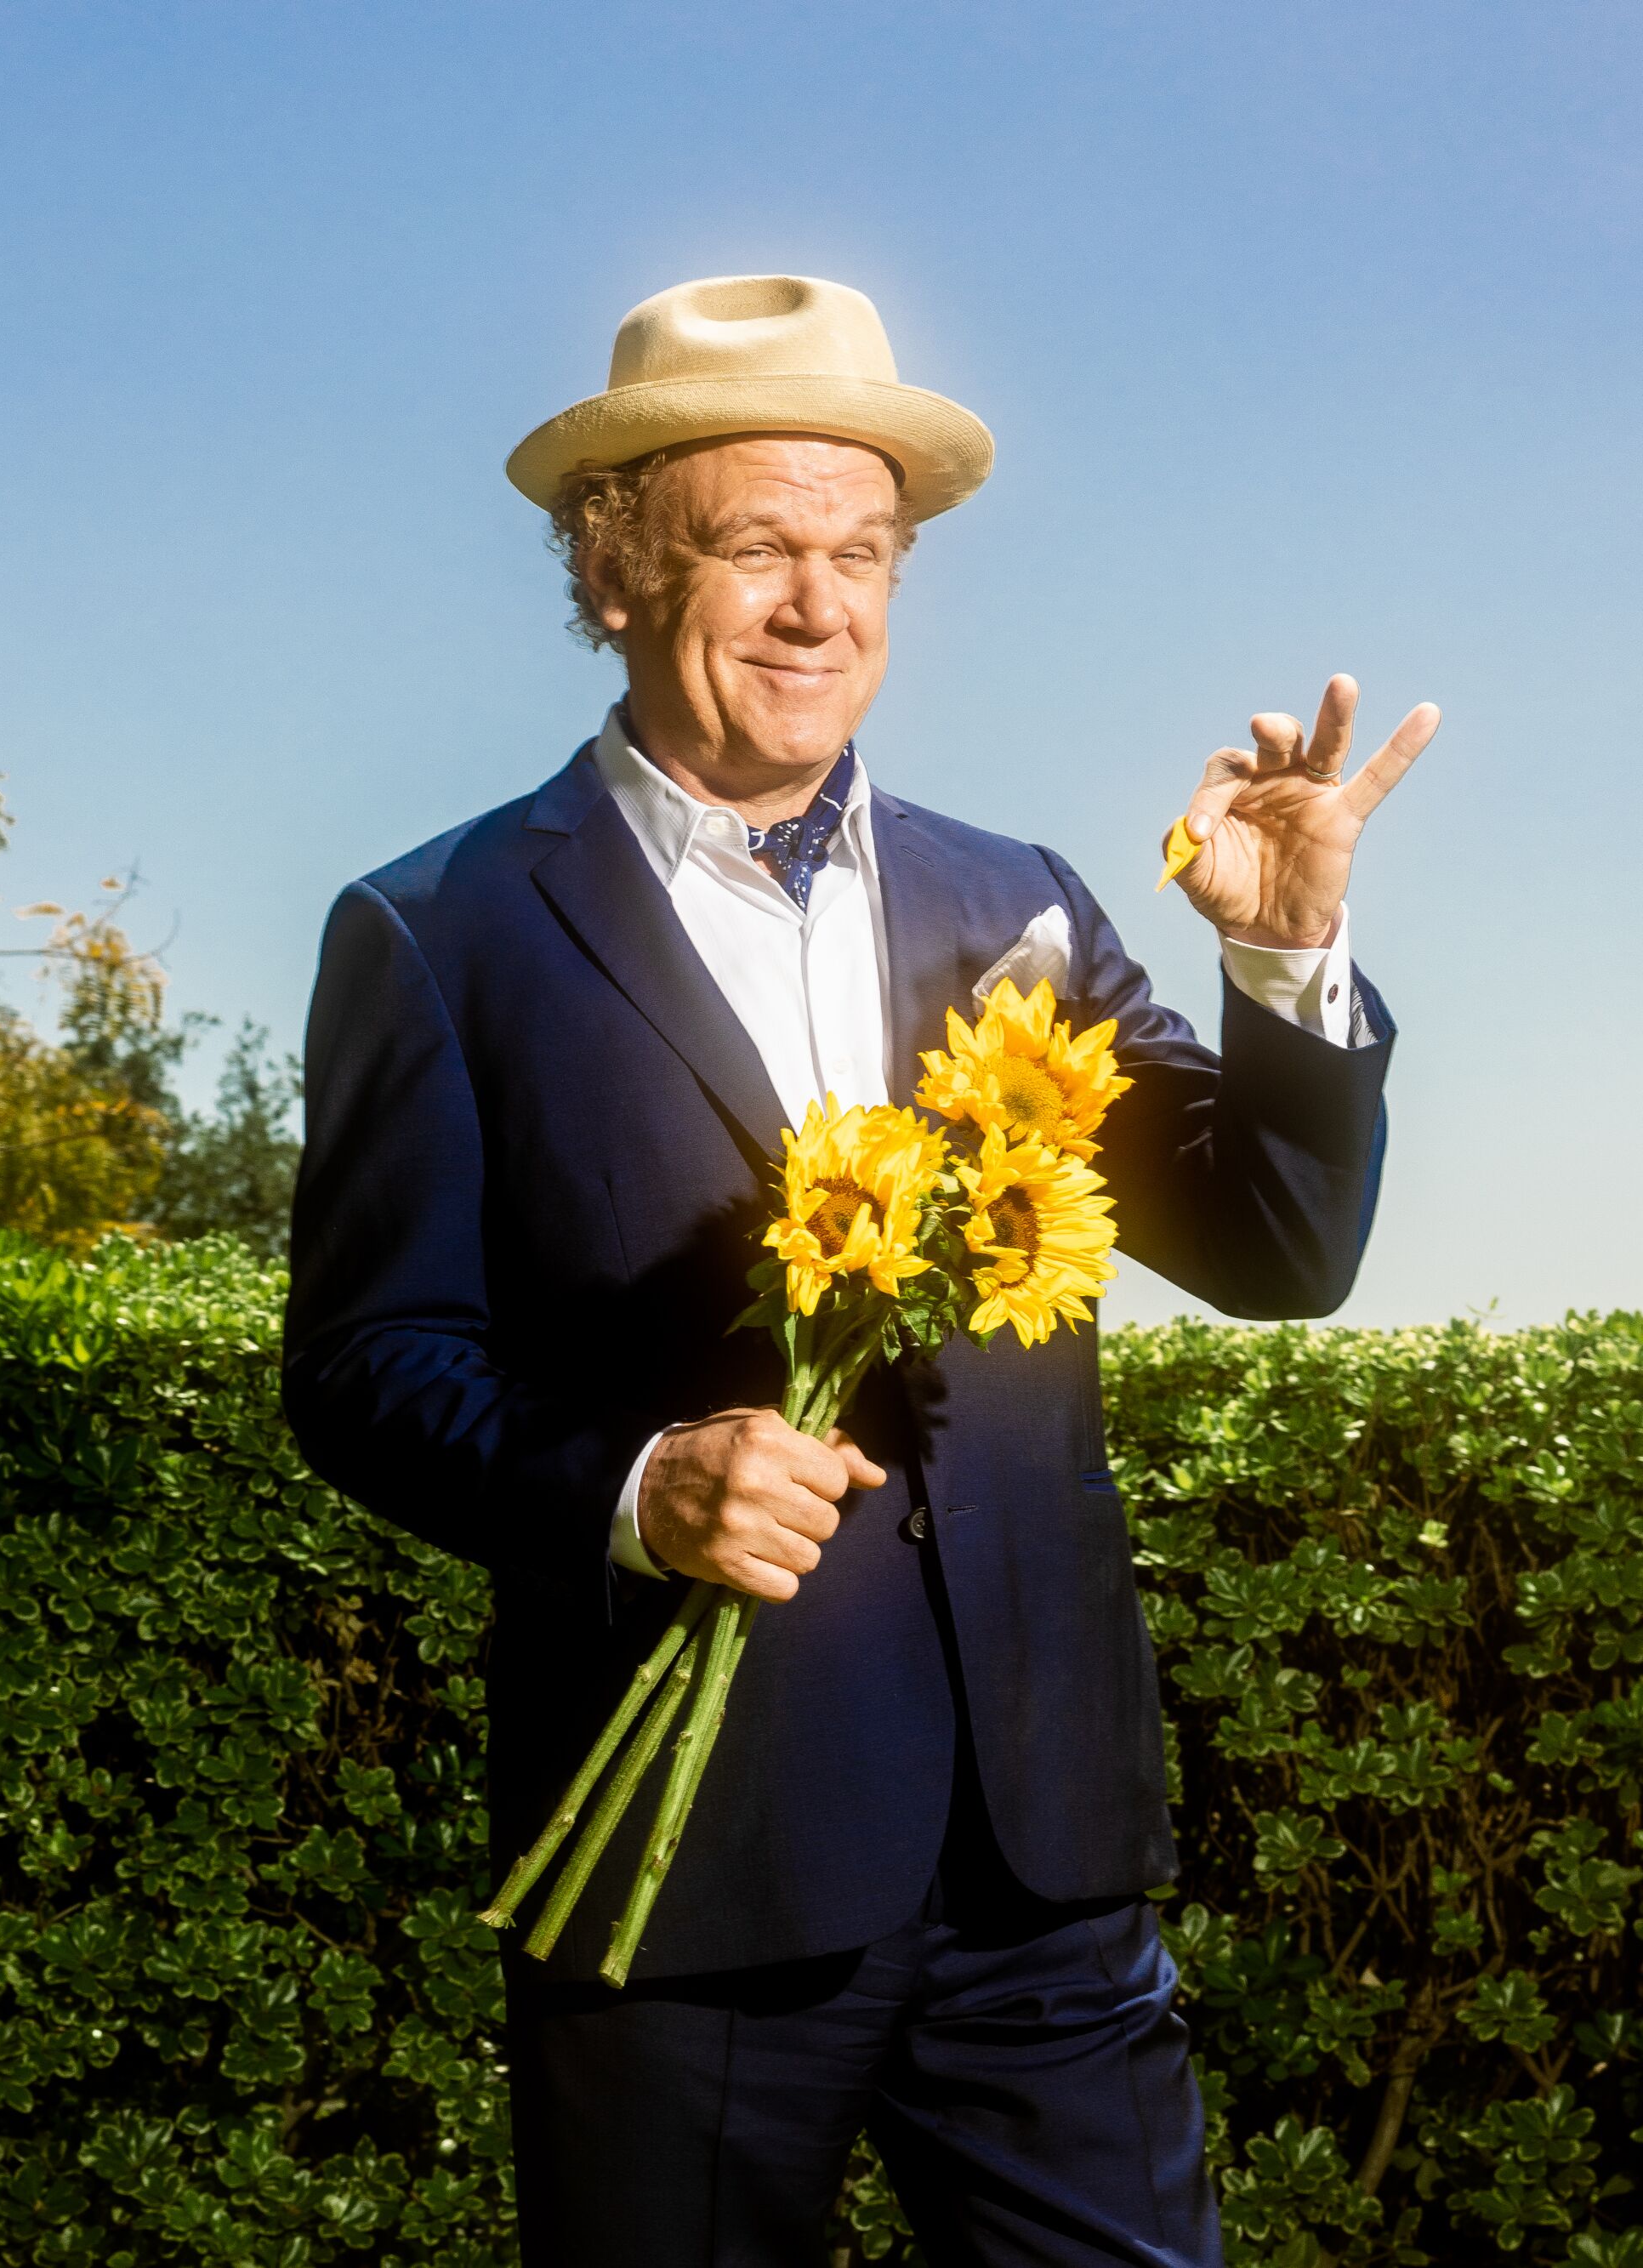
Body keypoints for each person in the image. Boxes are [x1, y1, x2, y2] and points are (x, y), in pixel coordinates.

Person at [282, 273, 1437, 2268]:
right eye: (757, 546)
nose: (820, 604)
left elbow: (1274, 1246)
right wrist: (636, 1489)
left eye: (862, 553)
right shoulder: (435, 927)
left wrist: (1281, 958)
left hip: (1047, 1870)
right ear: (617, 564)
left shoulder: (1029, 903)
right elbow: (369, 1361)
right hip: (686, 1878)